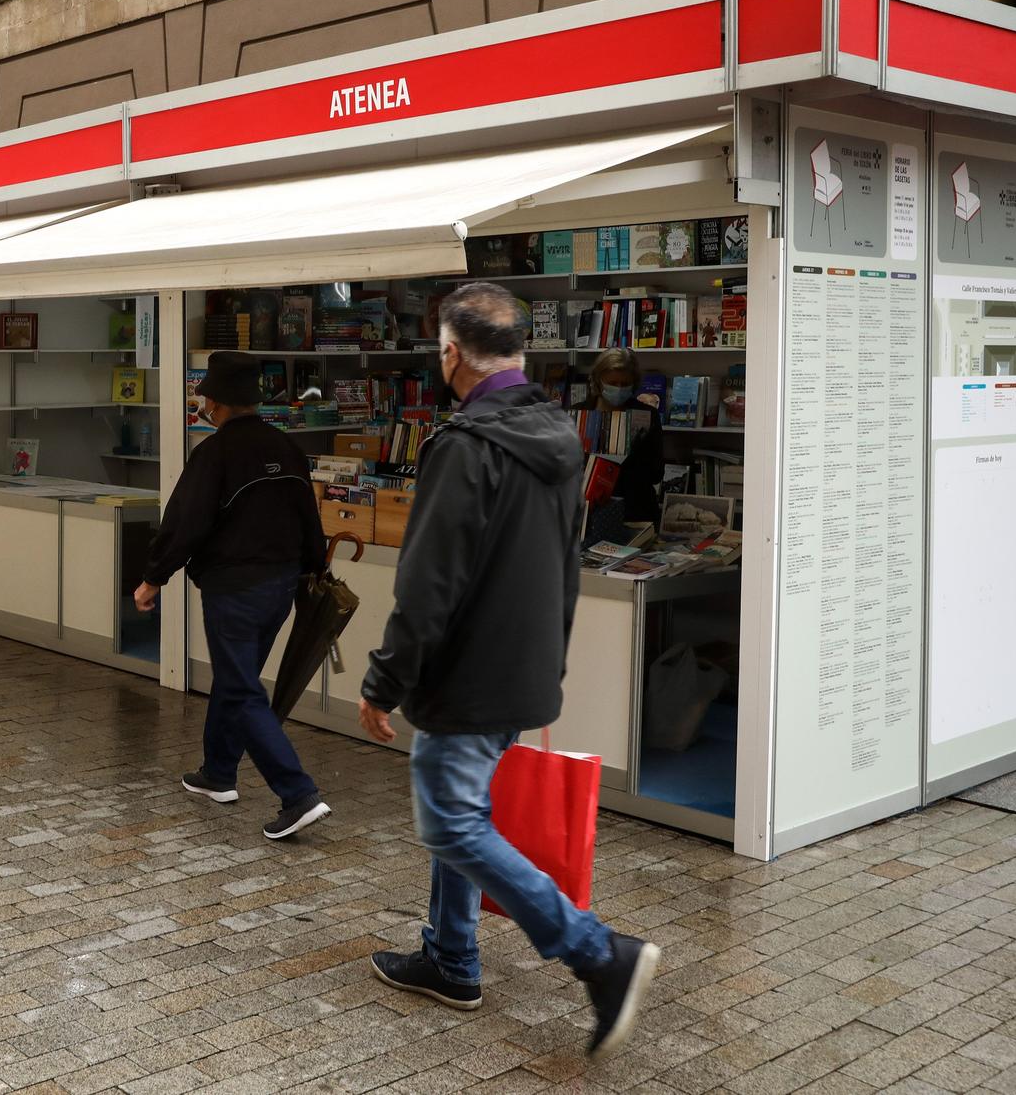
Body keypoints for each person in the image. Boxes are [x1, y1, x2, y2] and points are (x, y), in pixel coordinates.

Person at [357, 282, 658, 1060]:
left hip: (467, 675)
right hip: (519, 668)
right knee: (466, 813)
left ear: (450, 354)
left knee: (450, 819)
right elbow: (564, 562)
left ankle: (599, 953)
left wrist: (384, 680)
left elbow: (426, 586)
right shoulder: (560, 434)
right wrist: (546, 666)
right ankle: (452, 958)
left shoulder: (464, 446)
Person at [134, 350, 331, 840]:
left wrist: (153, 577)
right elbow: (310, 520)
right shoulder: (287, 448)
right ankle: (218, 773)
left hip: (234, 589)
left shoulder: (215, 453)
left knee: (242, 688)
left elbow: (184, 522)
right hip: (281, 587)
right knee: (236, 678)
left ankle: (297, 793)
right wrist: (311, 571)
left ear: (215, 403)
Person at [586, 347, 663, 527]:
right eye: (612, 383)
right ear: (598, 381)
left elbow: (656, 473)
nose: (619, 389)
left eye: (625, 384)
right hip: (589, 514)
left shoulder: (647, 415)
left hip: (636, 513)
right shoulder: (581, 413)